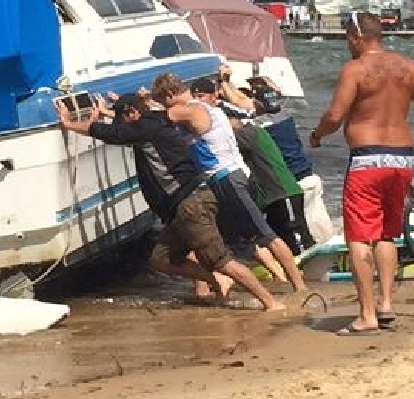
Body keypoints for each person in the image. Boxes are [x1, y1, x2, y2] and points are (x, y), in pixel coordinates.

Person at [54, 93, 285, 311]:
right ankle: (214, 280)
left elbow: (113, 134)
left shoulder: (145, 128)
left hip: (190, 204)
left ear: (133, 113)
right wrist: (106, 113)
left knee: (220, 260)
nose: (125, 126)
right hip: (182, 207)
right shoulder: (156, 118)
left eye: (124, 119)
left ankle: (270, 302)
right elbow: (120, 128)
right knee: (162, 259)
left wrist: (70, 124)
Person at [309, 12, 414, 335]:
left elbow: (335, 114)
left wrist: (318, 134)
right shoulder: (409, 68)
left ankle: (366, 316)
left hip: (367, 160)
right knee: (386, 235)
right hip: (403, 160)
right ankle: (386, 303)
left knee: (360, 236)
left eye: (348, 37)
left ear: (356, 37)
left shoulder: (356, 69)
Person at [151, 73, 308, 294]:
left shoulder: (190, 109)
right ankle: (217, 287)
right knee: (233, 239)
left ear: (170, 95)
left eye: (162, 100)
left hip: (228, 179)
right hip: (229, 179)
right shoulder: (208, 107)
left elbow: (156, 119)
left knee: (266, 236)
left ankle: (299, 287)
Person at [190, 76, 313, 253]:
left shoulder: (250, 133)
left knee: (298, 239)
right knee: (283, 238)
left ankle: (310, 272)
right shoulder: (278, 117)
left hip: (283, 192)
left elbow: (240, 110)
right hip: (273, 196)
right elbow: (244, 105)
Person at [216, 67, 335, 245]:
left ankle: (309, 267)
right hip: (310, 177)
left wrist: (224, 80)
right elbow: (265, 96)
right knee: (320, 231)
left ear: (258, 105)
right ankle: (329, 261)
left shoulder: (261, 125)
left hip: (294, 182)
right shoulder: (285, 115)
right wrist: (237, 83)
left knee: (304, 234)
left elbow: (241, 102)